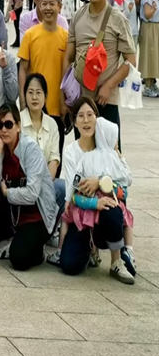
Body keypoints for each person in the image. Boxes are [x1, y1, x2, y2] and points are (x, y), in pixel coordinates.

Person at [56, 98, 137, 284]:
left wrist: (100, 183)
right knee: (70, 265)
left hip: (106, 213)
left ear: (97, 118)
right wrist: (95, 202)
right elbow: (73, 194)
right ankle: (90, 246)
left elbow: (124, 190)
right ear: (75, 121)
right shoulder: (72, 153)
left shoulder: (110, 151)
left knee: (111, 209)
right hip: (83, 213)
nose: (86, 121)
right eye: (81, 116)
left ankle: (117, 260)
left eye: (90, 115)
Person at [65, 0, 136, 139]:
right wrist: (65, 94)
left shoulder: (118, 19)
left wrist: (109, 85)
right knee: (83, 157)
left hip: (107, 100)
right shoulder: (77, 17)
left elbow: (131, 61)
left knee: (110, 157)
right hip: (81, 102)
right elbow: (68, 58)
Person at [0, 102, 59, 271]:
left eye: (9, 124)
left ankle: (37, 250)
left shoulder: (30, 149)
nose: (3, 129)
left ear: (18, 126)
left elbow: (33, 194)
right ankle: (9, 238)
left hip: (38, 216)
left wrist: (8, 193)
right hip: (17, 215)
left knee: (18, 259)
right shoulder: (3, 149)